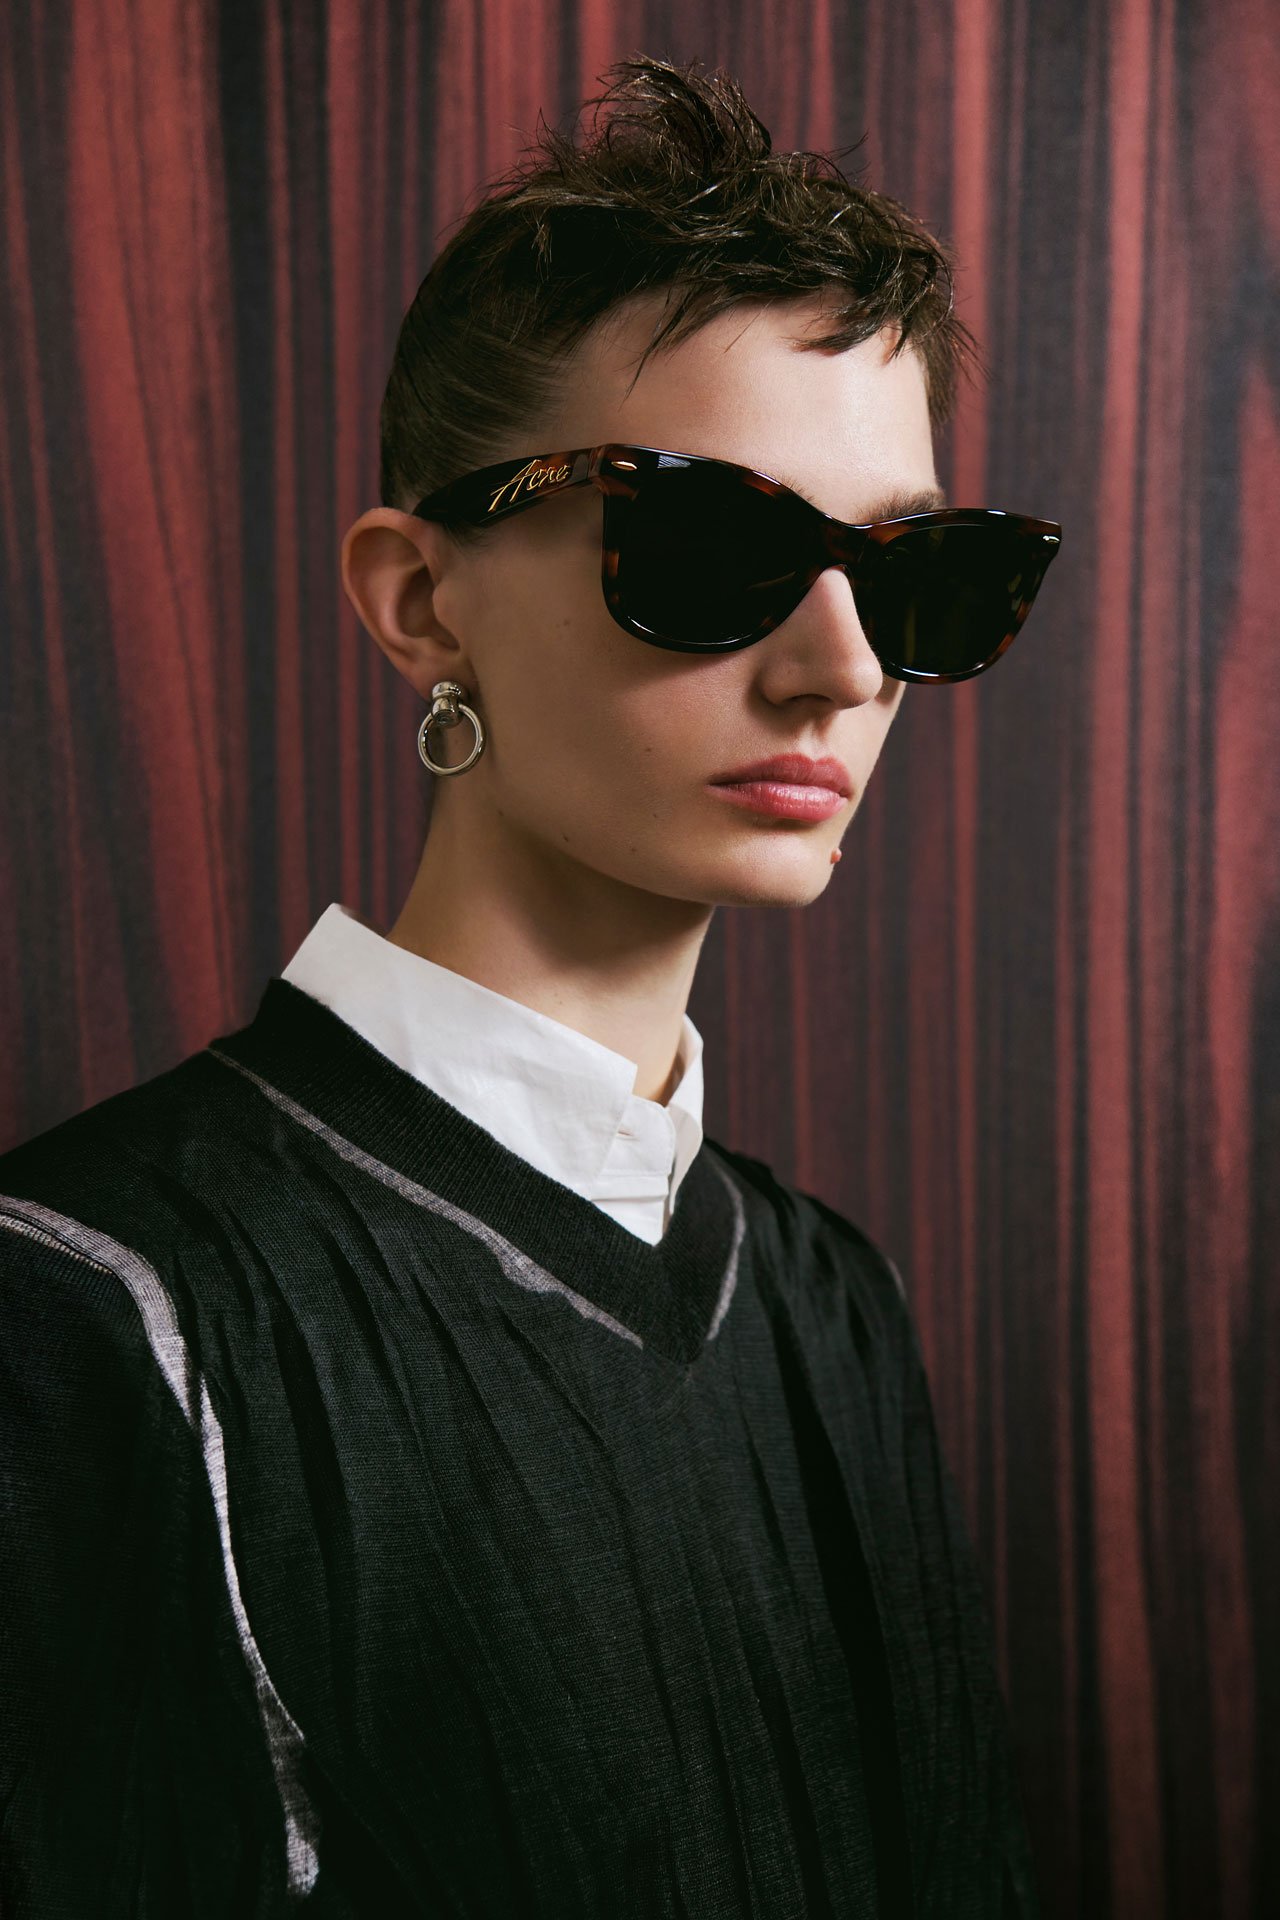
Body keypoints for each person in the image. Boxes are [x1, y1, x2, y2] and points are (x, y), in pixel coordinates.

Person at [0, 53, 1059, 1919]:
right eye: (717, 547)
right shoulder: (89, 1315)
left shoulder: (829, 1300)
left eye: (919, 576)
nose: (842, 671)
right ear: (422, 598)